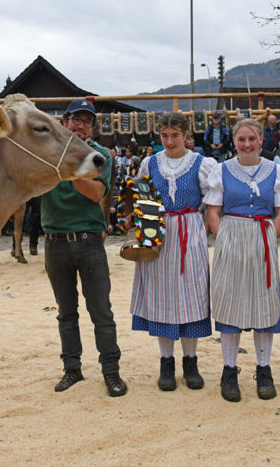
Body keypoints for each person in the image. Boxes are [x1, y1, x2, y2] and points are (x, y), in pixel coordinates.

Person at [41, 98, 127, 397]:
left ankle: (111, 372)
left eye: (87, 121)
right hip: (54, 241)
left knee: (101, 311)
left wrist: (69, 165)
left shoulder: (100, 155)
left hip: (89, 241)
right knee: (66, 312)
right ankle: (72, 370)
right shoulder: (46, 153)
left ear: (92, 128)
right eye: (76, 119)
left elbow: (95, 194)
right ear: (64, 122)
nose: (80, 125)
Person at [126, 112, 216, 392]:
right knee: (161, 295)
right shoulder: (150, 163)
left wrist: (205, 228)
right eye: (164, 136)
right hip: (158, 233)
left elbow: (214, 199)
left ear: (186, 135)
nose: (169, 141)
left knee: (192, 295)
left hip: (190, 232)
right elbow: (140, 195)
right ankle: (166, 362)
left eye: (175, 135)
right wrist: (136, 217)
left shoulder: (201, 163)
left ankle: (190, 362)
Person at [205, 119, 280, 402]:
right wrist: (224, 239)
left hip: (263, 236)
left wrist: (269, 236)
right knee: (230, 301)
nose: (246, 144)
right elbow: (213, 211)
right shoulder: (222, 170)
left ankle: (264, 370)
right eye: (241, 139)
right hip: (231, 236)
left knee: (263, 302)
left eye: (252, 139)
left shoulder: (274, 170)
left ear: (261, 140)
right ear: (234, 141)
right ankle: (229, 370)